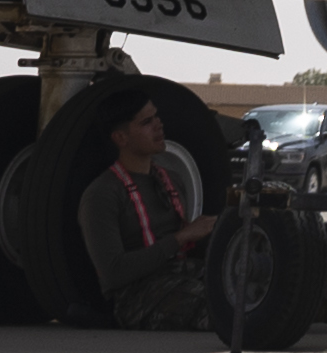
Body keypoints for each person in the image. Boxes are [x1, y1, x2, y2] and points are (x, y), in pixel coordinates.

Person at [73, 93, 223, 331]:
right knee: (222, 308)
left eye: (156, 117)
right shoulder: (102, 194)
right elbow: (113, 272)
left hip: (181, 273)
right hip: (135, 294)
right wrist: (181, 238)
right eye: (146, 122)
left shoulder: (170, 179)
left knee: (240, 286)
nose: (158, 125)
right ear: (120, 137)